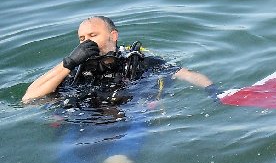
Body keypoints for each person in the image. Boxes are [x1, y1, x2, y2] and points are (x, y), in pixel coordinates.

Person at [22, 15, 215, 103]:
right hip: (80, 118)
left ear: (113, 36)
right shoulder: (73, 67)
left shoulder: (138, 61)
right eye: (82, 39)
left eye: (93, 35)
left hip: (123, 118)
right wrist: (70, 62)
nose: (87, 42)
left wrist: (214, 91)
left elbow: (186, 74)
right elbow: (29, 98)